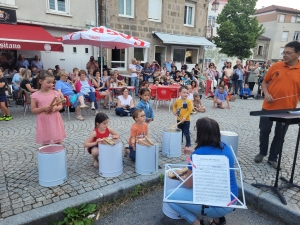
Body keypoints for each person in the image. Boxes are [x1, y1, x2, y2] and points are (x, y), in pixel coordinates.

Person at [167, 117, 238, 225]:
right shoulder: (225, 146)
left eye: (196, 129)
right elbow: (211, 156)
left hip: (218, 204)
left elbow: (188, 184)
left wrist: (178, 173)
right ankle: (218, 220)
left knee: (169, 196)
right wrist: (193, 152)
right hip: (232, 199)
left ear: (201, 133)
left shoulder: (198, 155)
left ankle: (197, 222)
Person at [254, 41, 300, 169]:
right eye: (283, 52)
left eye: (288, 53)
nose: (284, 55)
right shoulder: (276, 66)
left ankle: (273, 158)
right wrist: (266, 93)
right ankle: (262, 152)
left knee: (280, 135)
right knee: (264, 131)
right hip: (268, 107)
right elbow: (264, 82)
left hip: (287, 109)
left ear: (298, 54)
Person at [30, 70, 66, 145]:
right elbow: (33, 110)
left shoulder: (55, 93)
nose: (51, 84)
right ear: (40, 81)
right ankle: (46, 155)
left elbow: (60, 106)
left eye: (52, 82)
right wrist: (43, 108)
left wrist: (55, 108)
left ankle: (59, 155)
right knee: (45, 141)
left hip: (55, 118)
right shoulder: (35, 95)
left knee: (58, 140)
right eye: (48, 82)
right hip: (43, 120)